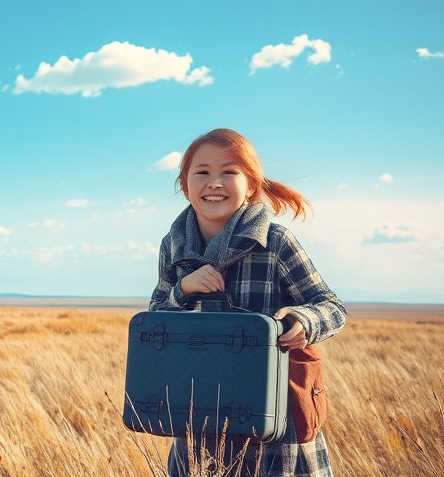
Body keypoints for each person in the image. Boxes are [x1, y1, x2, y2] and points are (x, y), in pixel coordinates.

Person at [148, 128, 347, 477]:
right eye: (202, 172)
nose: (214, 182)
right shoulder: (174, 247)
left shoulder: (275, 241)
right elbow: (153, 324)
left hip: (271, 426)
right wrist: (183, 289)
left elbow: (331, 306)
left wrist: (304, 320)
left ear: (252, 185)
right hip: (196, 419)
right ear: (185, 184)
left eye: (229, 171)